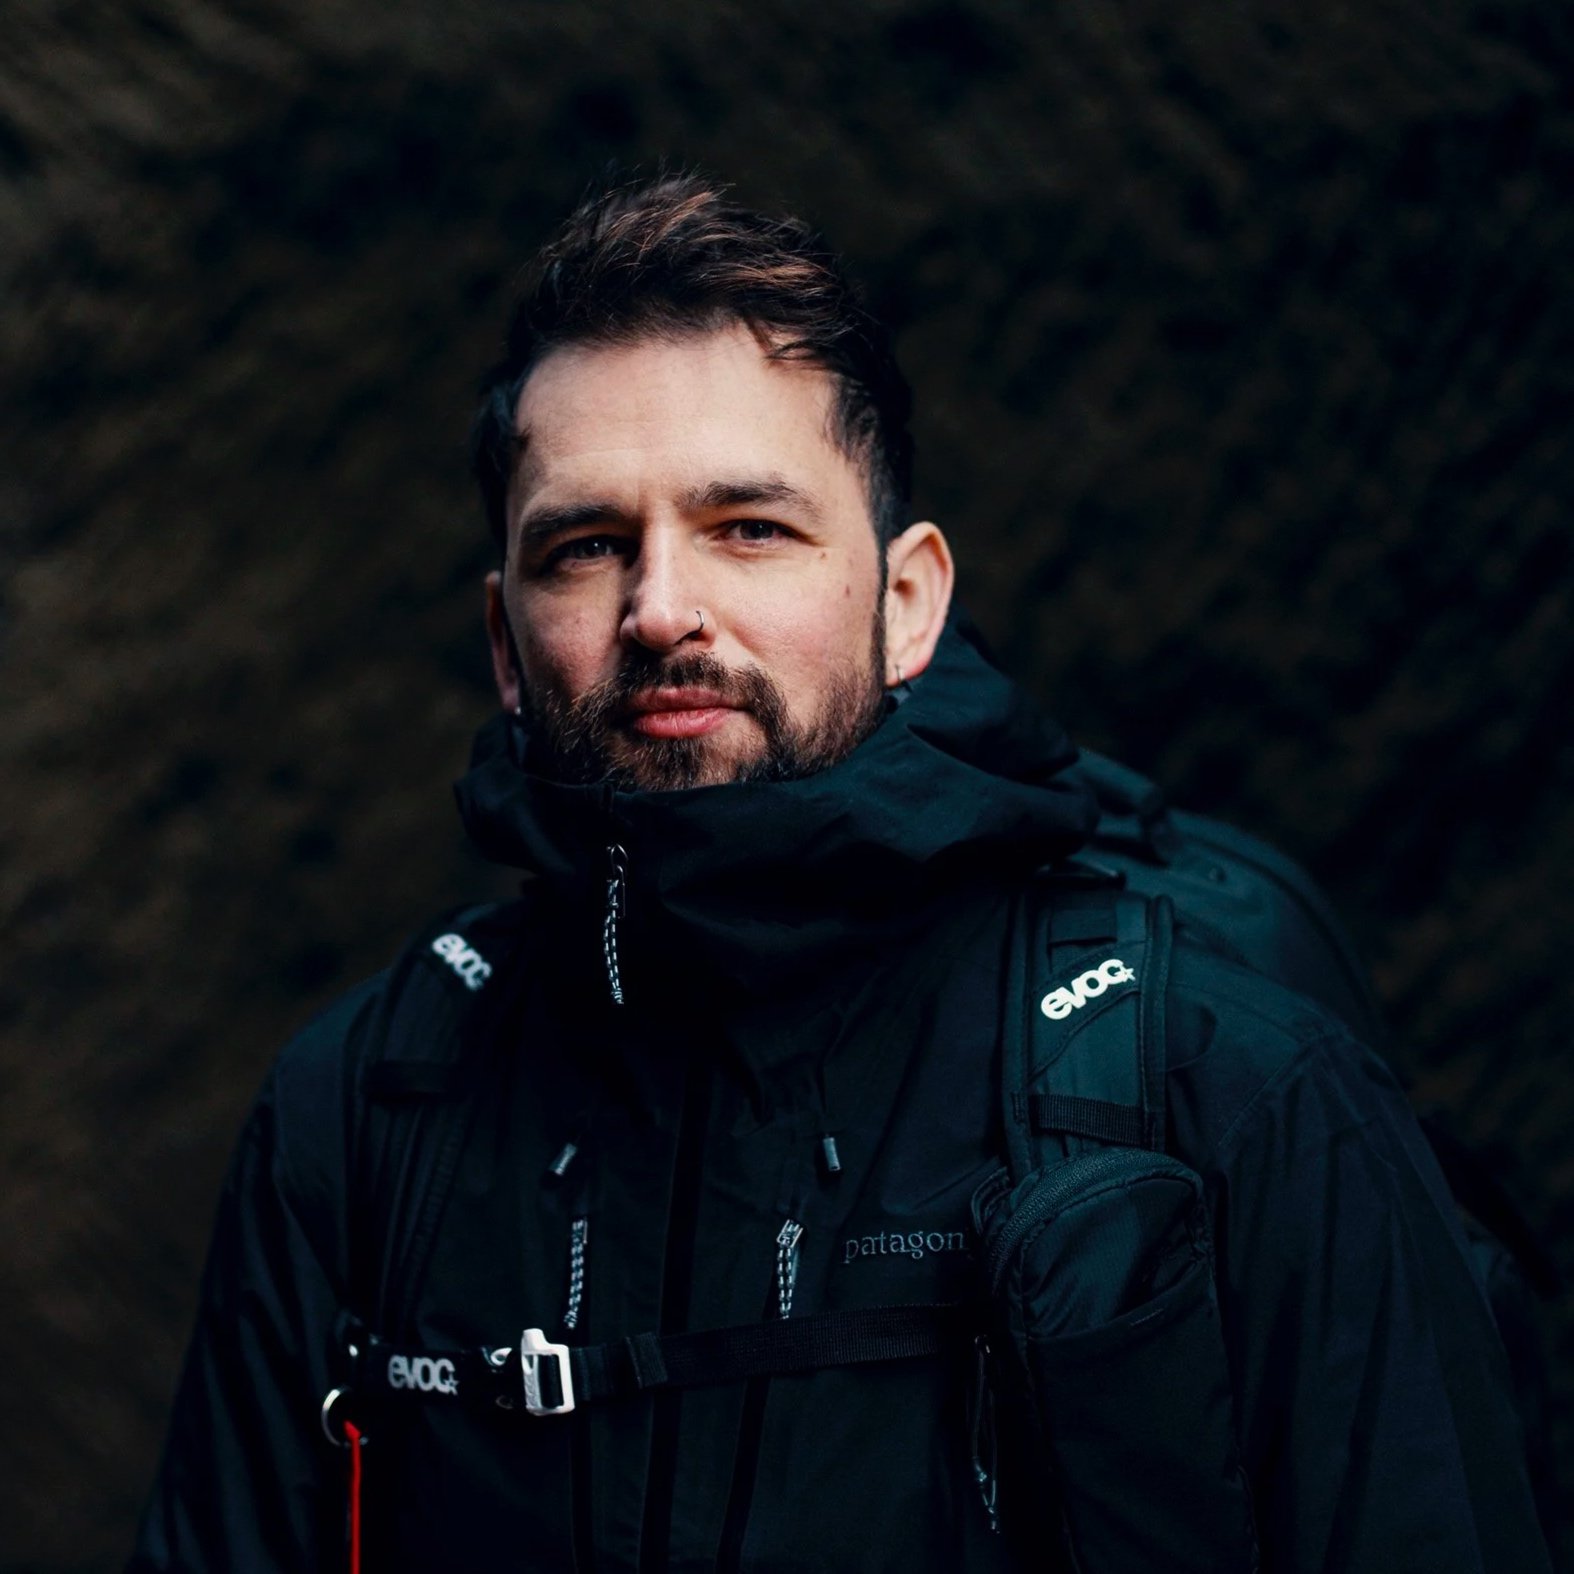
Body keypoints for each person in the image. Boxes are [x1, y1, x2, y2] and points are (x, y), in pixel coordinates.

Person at [130, 173, 1551, 1573]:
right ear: (507, 644)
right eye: (585, 546)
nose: (662, 609)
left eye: (749, 526)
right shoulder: (362, 1109)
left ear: (906, 597)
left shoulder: (1218, 1081)